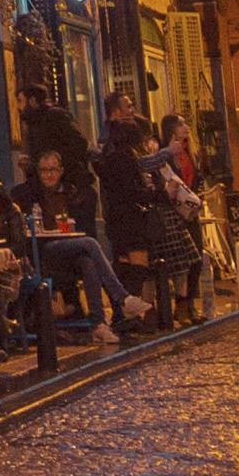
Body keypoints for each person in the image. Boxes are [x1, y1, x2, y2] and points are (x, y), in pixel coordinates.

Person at [20, 141, 130, 338]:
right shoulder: (29, 194)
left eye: (53, 170)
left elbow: (81, 225)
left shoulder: (71, 193)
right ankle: (122, 298)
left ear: (61, 171)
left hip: (68, 250)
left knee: (88, 262)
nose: (48, 175)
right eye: (44, 170)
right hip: (43, 251)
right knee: (90, 243)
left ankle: (98, 322)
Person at [96, 95, 171, 328]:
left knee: (124, 263)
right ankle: (127, 313)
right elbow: (132, 191)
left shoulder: (110, 152)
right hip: (130, 217)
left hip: (117, 217)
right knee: (137, 264)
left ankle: (124, 314)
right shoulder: (124, 157)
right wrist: (161, 192)